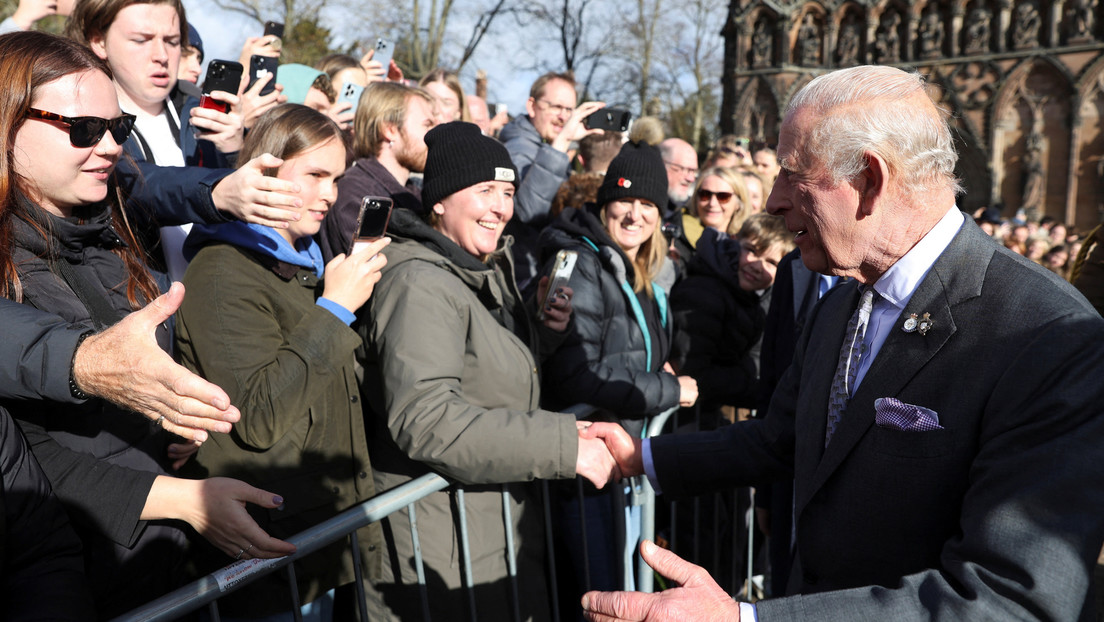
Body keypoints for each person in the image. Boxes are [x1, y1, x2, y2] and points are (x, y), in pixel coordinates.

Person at [580, 65, 1104, 621]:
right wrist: (642, 456)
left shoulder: (1048, 338)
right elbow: (781, 439)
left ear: (870, 179)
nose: (774, 202)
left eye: (792, 174)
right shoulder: (843, 300)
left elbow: (1008, 601)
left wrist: (747, 620)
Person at [0, 31, 294, 617]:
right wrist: (177, 499)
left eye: (119, 128)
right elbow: (25, 461)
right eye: (84, 129)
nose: (108, 145)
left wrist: (165, 422)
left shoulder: (111, 230)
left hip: (163, 568)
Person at [358, 121, 618, 622]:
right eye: (484, 191)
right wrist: (563, 445)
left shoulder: (479, 270)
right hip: (440, 546)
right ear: (438, 200)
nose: (501, 206)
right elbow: (427, 420)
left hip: (484, 526)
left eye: (508, 191)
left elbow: (486, 378)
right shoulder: (419, 282)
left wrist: (543, 332)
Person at [175, 104, 389, 619]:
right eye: (315, 175)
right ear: (266, 171)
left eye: (336, 178)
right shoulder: (224, 270)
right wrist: (335, 310)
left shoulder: (306, 263)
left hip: (324, 540)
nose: (331, 194)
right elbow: (260, 412)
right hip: (271, 552)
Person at [536, 141, 698, 602]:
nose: (634, 214)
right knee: (598, 600)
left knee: (622, 593)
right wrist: (669, 389)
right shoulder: (580, 263)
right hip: (584, 471)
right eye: (623, 200)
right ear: (604, 203)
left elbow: (630, 355)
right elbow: (575, 374)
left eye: (647, 203)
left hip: (621, 467)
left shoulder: (636, 271)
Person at [500, 71, 605, 294]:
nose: (563, 117)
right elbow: (527, 208)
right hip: (517, 282)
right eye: (556, 107)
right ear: (532, 106)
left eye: (569, 110)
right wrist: (563, 141)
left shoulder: (545, 146)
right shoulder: (518, 147)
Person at [317, 82, 435, 261]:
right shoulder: (356, 196)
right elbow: (376, 272)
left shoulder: (414, 195)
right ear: (390, 130)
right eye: (427, 125)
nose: (433, 136)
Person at [670, 166, 751, 266]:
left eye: (723, 196)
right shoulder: (676, 236)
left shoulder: (747, 245)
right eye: (705, 194)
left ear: (739, 203)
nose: (712, 203)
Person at [659, 137, 699, 209]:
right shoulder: (638, 210)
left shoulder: (689, 213)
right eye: (684, 169)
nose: (691, 179)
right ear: (662, 164)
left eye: (693, 171)